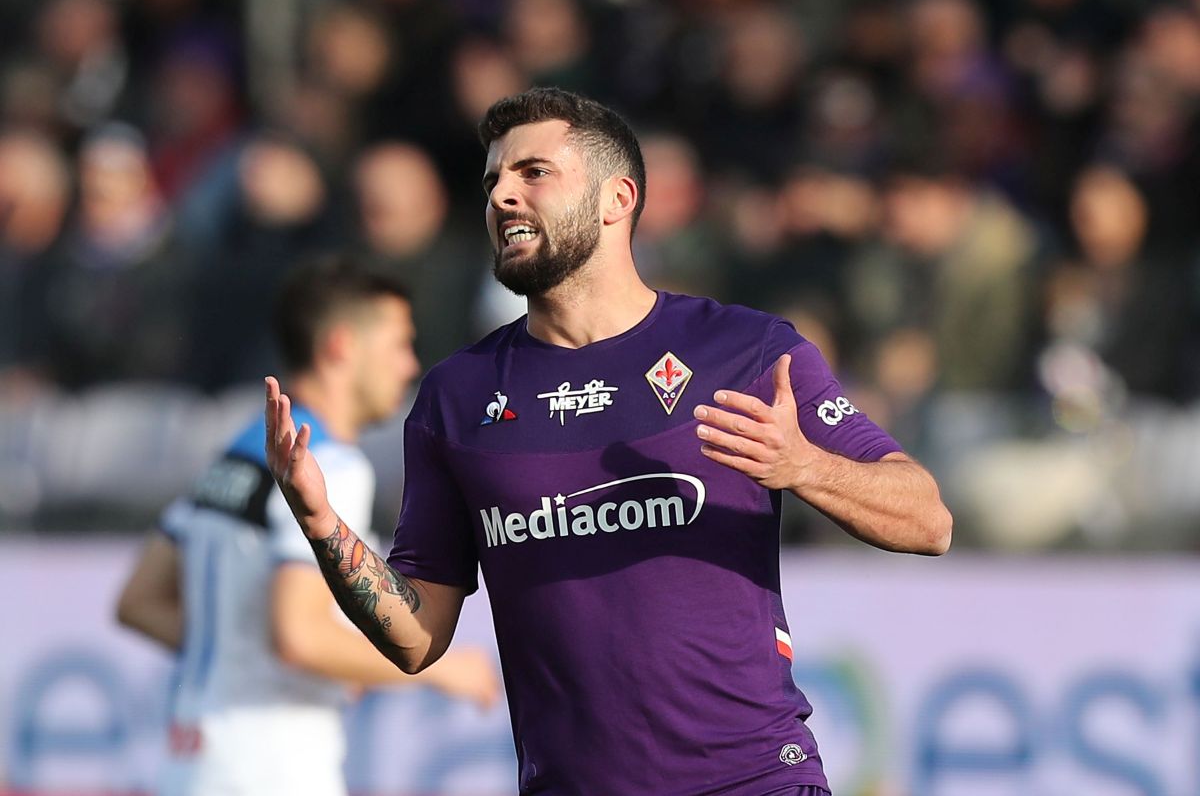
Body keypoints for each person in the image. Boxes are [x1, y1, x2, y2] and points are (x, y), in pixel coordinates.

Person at [265, 88, 952, 796]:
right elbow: (417, 636)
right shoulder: (458, 397)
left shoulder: (744, 351)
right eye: (492, 179)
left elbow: (928, 518)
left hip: (751, 781)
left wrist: (803, 463)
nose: (501, 194)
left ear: (616, 198)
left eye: (533, 173)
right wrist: (323, 528)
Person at [116, 255, 500, 796]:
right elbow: (298, 636)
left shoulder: (233, 456)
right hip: (270, 768)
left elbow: (138, 601)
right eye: (398, 344)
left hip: (192, 763)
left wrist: (240, 655)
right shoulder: (327, 467)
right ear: (342, 346)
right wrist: (440, 668)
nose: (410, 366)